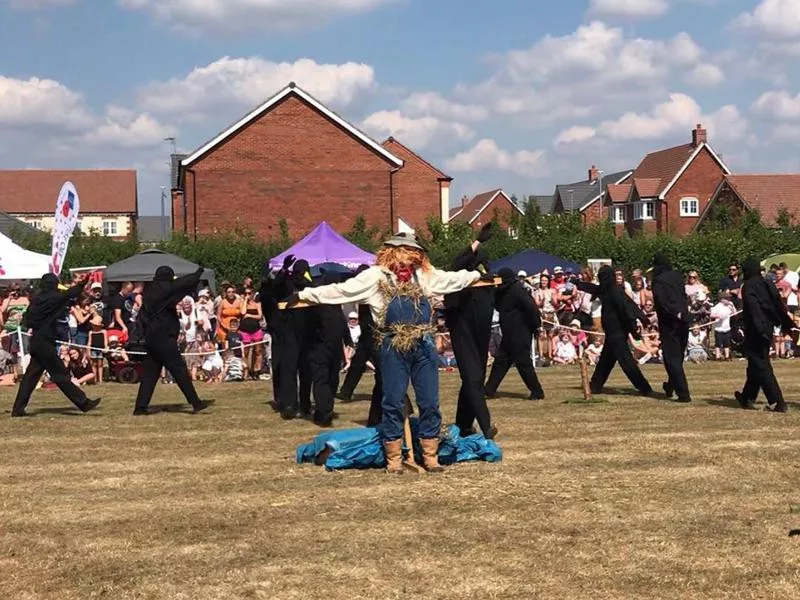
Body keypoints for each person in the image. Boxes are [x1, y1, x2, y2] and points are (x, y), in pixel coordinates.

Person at [291, 232, 486, 474]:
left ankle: (430, 455)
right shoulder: (375, 277)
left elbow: (451, 280)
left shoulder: (423, 275)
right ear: (393, 251)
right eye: (407, 250)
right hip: (392, 345)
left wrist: (477, 274)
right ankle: (394, 459)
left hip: (422, 343)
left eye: (415, 252)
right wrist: (305, 294)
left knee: (429, 402)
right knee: (392, 401)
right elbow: (341, 291)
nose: (412, 256)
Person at [12, 274, 101, 417]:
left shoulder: (36, 300)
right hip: (45, 342)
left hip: (36, 341)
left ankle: (18, 409)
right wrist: (83, 283)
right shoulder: (52, 298)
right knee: (60, 375)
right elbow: (69, 294)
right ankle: (83, 403)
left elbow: (27, 320)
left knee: (30, 378)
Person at [133, 266, 213, 415]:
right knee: (179, 370)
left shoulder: (150, 292)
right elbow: (182, 283)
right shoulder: (165, 289)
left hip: (151, 338)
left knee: (150, 374)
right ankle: (195, 402)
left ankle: (140, 407)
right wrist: (198, 273)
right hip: (164, 338)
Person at [444, 223, 497, 439]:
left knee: (475, 378)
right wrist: (476, 242)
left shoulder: (488, 284)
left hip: (481, 334)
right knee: (473, 377)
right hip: (462, 330)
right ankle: (486, 426)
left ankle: (463, 425)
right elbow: (456, 264)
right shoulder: (457, 282)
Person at [578, 266, 652, 396]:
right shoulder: (607, 289)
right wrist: (578, 284)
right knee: (606, 360)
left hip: (617, 330)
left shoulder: (614, 291)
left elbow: (627, 309)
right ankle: (595, 385)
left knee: (626, 362)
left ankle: (644, 387)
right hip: (613, 331)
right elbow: (593, 288)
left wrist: (635, 328)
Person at [735, 257, 794, 412]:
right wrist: (787, 324)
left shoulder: (748, 286)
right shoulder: (767, 282)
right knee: (755, 363)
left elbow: (754, 309)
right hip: (767, 327)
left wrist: (757, 328)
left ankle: (777, 401)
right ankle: (747, 396)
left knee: (760, 364)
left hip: (757, 329)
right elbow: (778, 304)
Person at [484, 268, 545, 400]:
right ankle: (489, 389)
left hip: (520, 333)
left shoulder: (518, 291)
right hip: (508, 333)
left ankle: (537, 391)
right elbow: (498, 305)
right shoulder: (502, 291)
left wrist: (536, 326)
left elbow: (532, 309)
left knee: (523, 363)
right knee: (501, 362)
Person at [650, 253, 692, 403]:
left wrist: (675, 313)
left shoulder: (658, 281)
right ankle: (670, 385)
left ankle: (683, 393)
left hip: (670, 322)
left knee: (671, 358)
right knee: (678, 356)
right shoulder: (677, 276)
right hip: (684, 319)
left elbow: (662, 302)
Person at [710, 292, 735, 361]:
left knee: (727, 343)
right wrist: (718, 316)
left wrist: (731, 306)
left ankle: (727, 356)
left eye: (729, 298)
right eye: (727, 298)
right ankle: (717, 356)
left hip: (727, 328)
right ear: (721, 299)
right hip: (719, 328)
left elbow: (734, 313)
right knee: (718, 343)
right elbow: (711, 315)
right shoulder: (717, 306)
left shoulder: (730, 305)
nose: (728, 299)